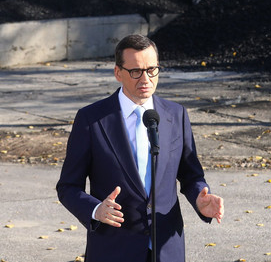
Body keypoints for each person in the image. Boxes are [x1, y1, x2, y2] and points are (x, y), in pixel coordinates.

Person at [56, 34, 224, 262]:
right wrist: (96, 210)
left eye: (152, 70)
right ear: (118, 73)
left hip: (167, 248)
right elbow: (68, 187)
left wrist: (200, 199)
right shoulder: (91, 119)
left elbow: (191, 175)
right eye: (136, 71)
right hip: (113, 249)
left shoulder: (176, 115)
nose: (146, 79)